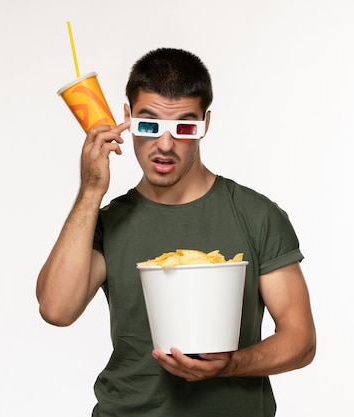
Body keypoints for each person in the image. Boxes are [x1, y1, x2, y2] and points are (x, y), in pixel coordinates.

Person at [36, 47, 316, 417]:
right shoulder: (106, 222)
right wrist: (90, 192)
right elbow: (57, 309)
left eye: (184, 127)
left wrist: (229, 365)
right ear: (126, 118)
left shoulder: (255, 215)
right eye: (149, 125)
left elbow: (300, 340)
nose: (164, 145)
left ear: (206, 123)